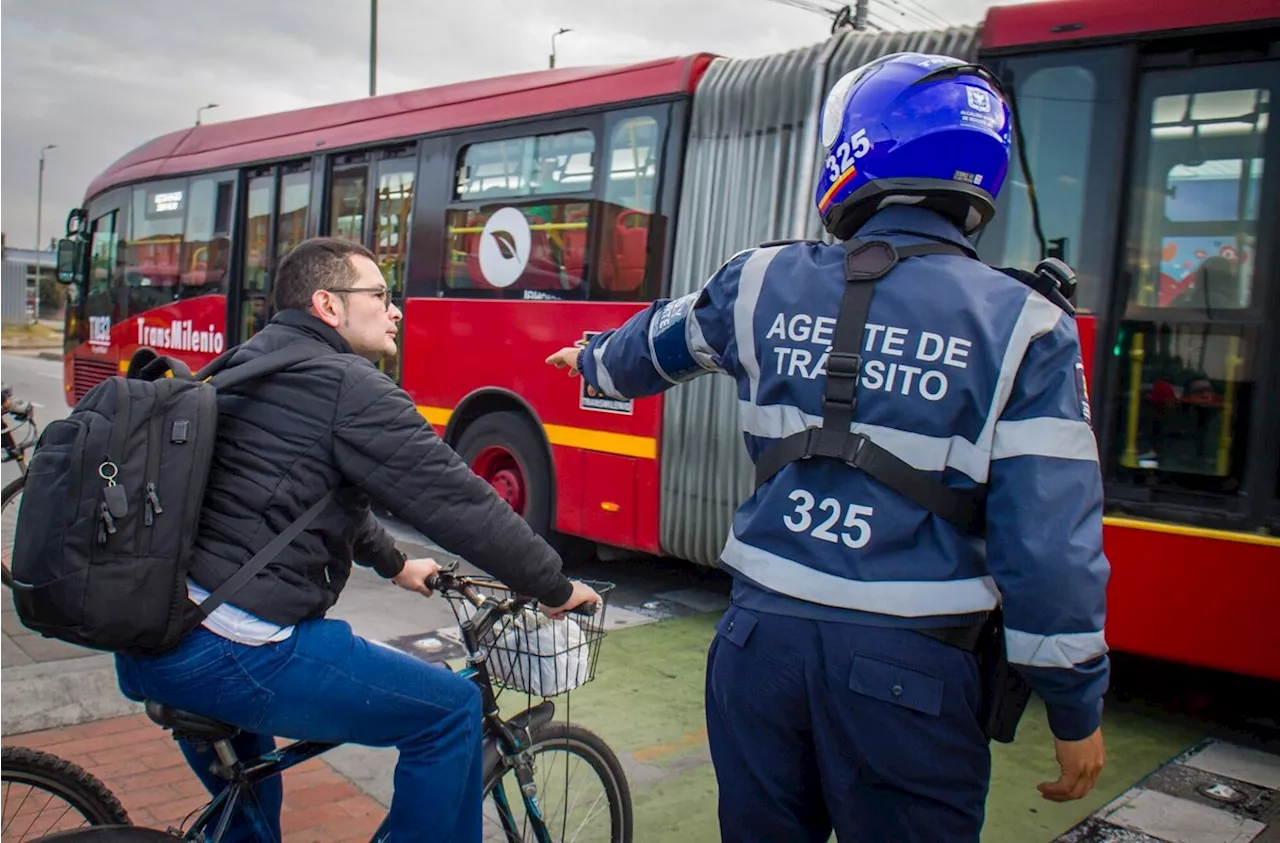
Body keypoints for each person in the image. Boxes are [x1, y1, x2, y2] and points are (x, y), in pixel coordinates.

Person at [547, 53, 1109, 841]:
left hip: (756, 648)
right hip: (912, 672)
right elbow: (1050, 542)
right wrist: (1075, 700)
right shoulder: (1029, 325)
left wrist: (591, 357)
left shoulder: (761, 279)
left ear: (855, 150)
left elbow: (653, 346)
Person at [115, 237, 601, 843]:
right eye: (380, 294)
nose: (395, 310)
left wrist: (395, 564)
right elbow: (456, 500)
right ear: (328, 305)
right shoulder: (347, 385)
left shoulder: (252, 361)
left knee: (250, 809)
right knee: (451, 713)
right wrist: (553, 586)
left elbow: (304, 492)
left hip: (161, 635)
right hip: (230, 644)